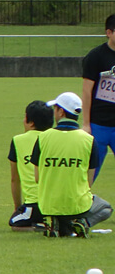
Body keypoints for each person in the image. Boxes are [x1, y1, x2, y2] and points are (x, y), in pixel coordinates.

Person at [30, 92, 112, 237]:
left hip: (48, 203)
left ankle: (55, 222)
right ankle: (81, 223)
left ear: (61, 112)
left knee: (57, 207)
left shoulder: (43, 138)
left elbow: (37, 177)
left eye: (55, 108)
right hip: (77, 204)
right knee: (105, 207)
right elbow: (89, 181)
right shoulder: (89, 140)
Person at [7, 101, 53, 231]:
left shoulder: (18, 140)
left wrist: (17, 208)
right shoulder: (56, 138)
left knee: (15, 223)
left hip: (35, 204)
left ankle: (42, 227)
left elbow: (14, 179)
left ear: (31, 122)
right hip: (60, 200)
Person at [81, 14, 115, 180]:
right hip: (98, 124)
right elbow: (87, 91)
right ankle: (82, 203)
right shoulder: (96, 56)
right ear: (109, 32)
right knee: (89, 172)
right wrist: (86, 124)